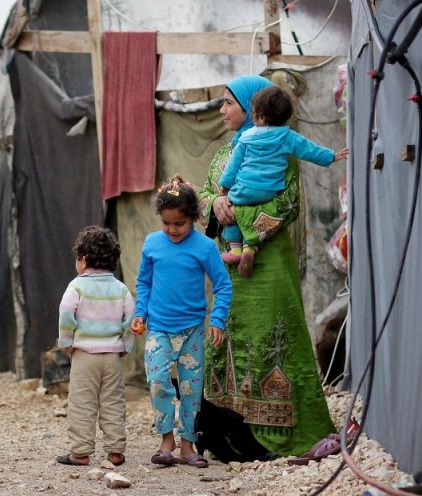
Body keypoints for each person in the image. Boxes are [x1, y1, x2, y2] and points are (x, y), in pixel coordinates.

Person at [198, 74, 336, 458]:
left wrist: (240, 217)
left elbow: (288, 203)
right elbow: (207, 194)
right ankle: (224, 435)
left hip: (269, 265)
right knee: (225, 335)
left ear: (251, 108)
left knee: (272, 337)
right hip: (228, 268)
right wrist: (214, 205)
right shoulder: (223, 154)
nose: (221, 110)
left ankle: (274, 437)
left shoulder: (280, 150)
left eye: (228, 102)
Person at [131, 176, 233, 469]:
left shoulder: (205, 247)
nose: (172, 229)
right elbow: (145, 284)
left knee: (190, 388)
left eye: (179, 224)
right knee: (158, 381)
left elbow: (223, 285)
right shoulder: (152, 244)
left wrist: (217, 319)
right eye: (166, 223)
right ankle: (166, 441)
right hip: (159, 329)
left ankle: (188, 446)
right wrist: (140, 314)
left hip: (193, 332)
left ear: (194, 218)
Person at [218, 85, 348, 277]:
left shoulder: (246, 138)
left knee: (232, 212)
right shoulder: (288, 137)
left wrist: (225, 188)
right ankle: (250, 247)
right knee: (254, 215)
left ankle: (236, 249)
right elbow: (310, 150)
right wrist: (332, 156)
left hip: (244, 189)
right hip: (271, 191)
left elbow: (232, 168)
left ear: (261, 116)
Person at [55, 226, 135, 467]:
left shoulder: (76, 286)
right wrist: (125, 347)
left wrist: (67, 343)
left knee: (82, 403)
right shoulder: (120, 288)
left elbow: (66, 314)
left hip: (84, 355)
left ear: (83, 260)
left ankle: (80, 452)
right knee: (113, 402)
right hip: (112, 356)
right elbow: (130, 319)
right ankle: (115, 451)